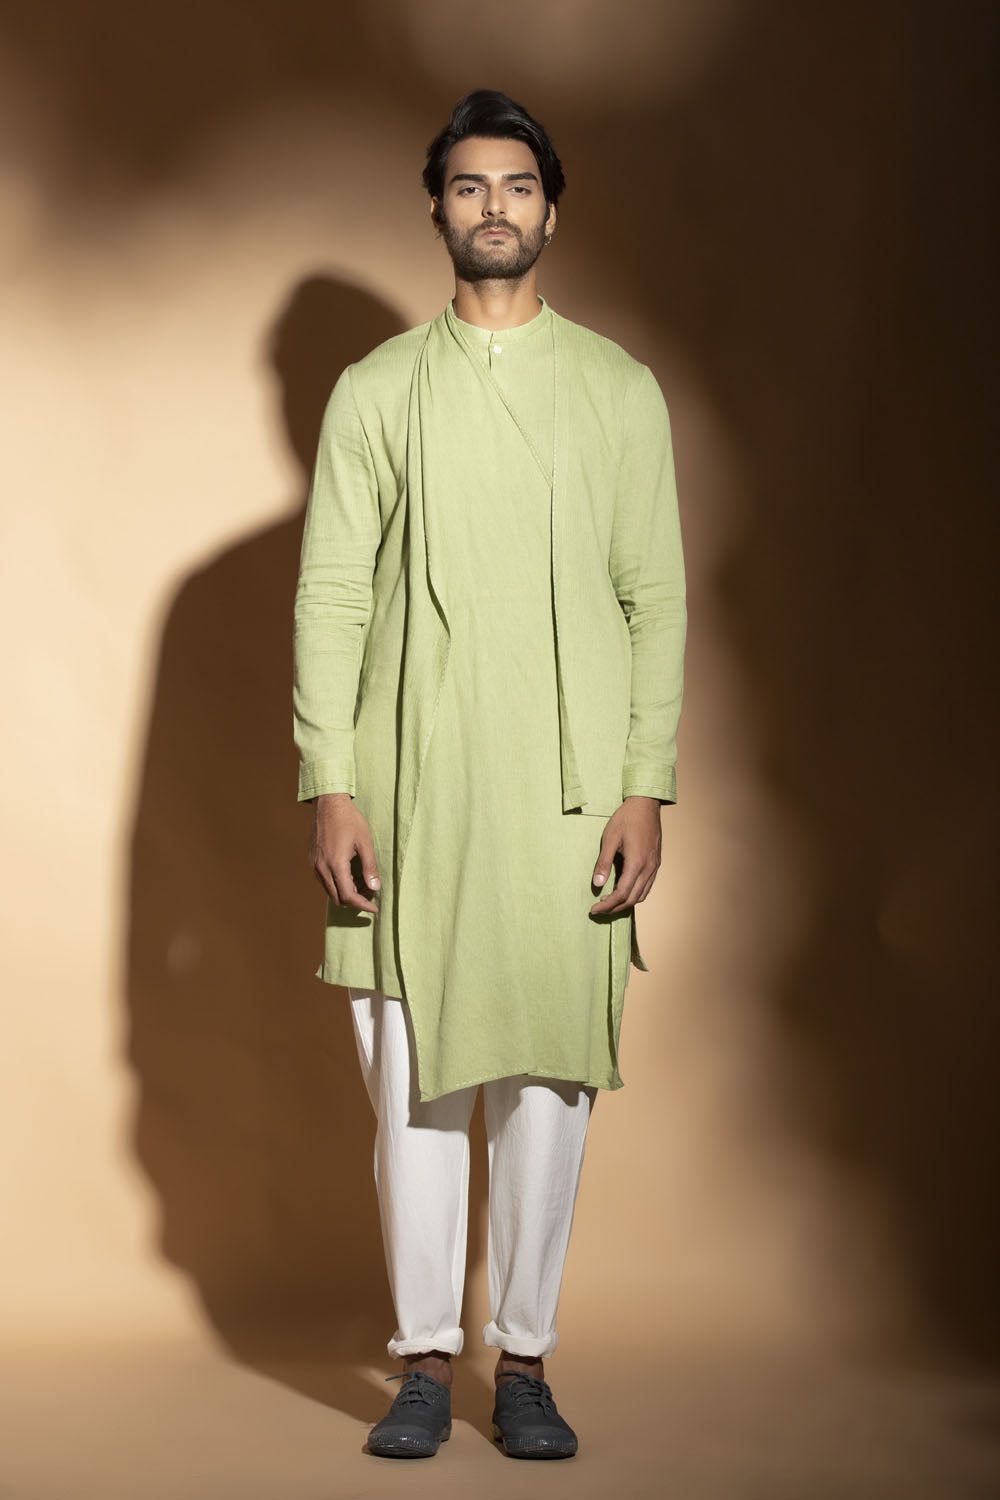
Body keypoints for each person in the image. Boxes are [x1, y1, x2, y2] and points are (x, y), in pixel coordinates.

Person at [292, 89, 686, 1460]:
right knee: (414, 1084)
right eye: (469, 187)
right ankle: (420, 1362)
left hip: (568, 797)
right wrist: (331, 781)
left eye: (517, 185)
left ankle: (522, 1363)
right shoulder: (377, 393)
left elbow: (655, 598)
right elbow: (333, 594)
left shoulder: (618, 391)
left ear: (551, 210)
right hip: (413, 791)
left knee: (548, 1090)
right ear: (439, 210)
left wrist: (645, 784)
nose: (495, 208)